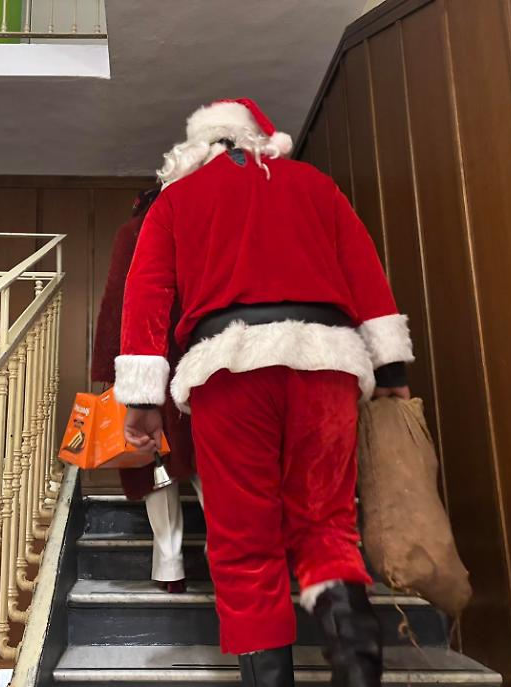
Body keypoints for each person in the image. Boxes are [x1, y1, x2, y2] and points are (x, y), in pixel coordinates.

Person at [114, 98, 413, 687]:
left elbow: (145, 295)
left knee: (244, 541)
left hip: (228, 370)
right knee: (326, 524)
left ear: (198, 147)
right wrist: (391, 371)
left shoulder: (176, 200)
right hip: (327, 363)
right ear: (260, 139)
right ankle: (358, 668)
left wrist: (143, 401)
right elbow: (365, 270)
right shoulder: (314, 185)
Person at [91, 188, 203, 593]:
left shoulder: (133, 231)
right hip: (196, 354)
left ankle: (170, 567)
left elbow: (116, 301)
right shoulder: (199, 223)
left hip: (144, 357)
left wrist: (112, 368)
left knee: (154, 463)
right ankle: (236, 557)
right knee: (207, 460)